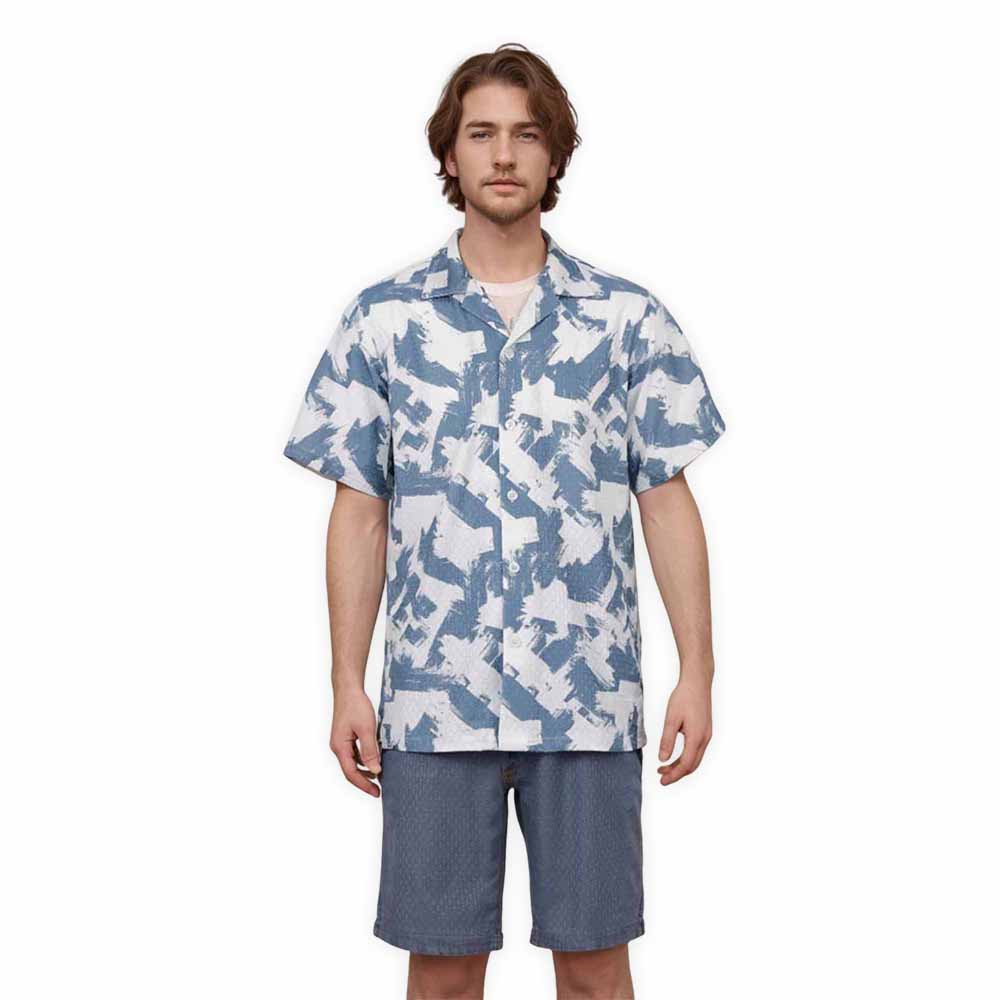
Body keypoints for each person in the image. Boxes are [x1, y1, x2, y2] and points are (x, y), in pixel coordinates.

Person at [282, 42, 726, 1000]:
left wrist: (698, 669)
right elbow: (359, 515)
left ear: (554, 154)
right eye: (481, 133)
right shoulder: (384, 321)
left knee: (597, 972)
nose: (504, 154)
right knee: (442, 976)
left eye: (526, 135)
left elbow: (666, 500)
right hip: (433, 708)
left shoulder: (627, 320)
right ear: (450, 154)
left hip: (588, 704)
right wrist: (346, 682)